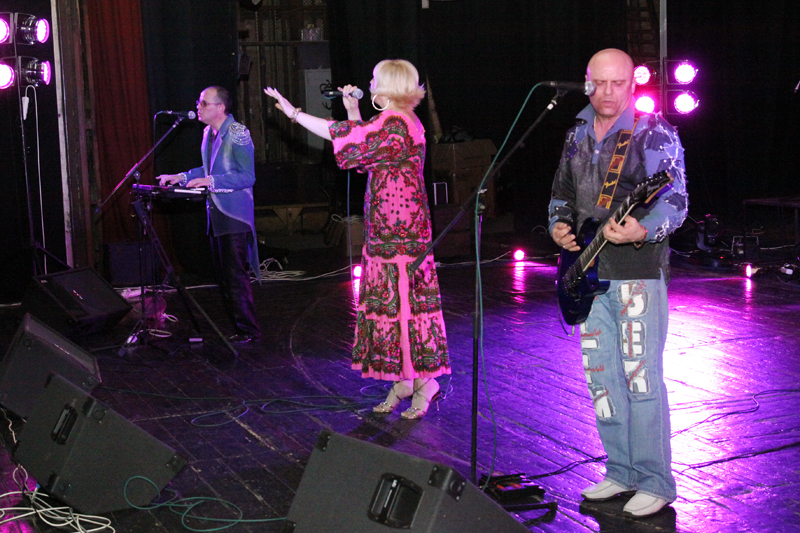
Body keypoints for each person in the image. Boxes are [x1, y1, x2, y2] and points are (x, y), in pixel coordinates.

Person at [264, 59, 450, 419]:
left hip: (401, 233)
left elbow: (349, 141)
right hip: (389, 228)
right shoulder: (394, 121)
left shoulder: (396, 123)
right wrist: (352, 109)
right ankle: (406, 379)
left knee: (405, 306)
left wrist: (295, 114)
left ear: (389, 86)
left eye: (375, 78)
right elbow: (360, 152)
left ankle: (424, 382)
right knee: (397, 306)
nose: (370, 81)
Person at [549, 49, 688, 517]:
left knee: (641, 377)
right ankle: (622, 470)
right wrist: (558, 225)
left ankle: (655, 480)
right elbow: (561, 194)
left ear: (632, 83)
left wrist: (642, 229)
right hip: (588, 275)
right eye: (599, 83)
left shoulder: (653, 132)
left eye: (618, 83)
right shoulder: (577, 133)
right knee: (602, 379)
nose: (607, 93)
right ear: (587, 82)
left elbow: (676, 201)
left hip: (637, 274)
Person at [158, 86, 261, 344]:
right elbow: (207, 169)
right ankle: (240, 328)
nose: (198, 107)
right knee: (225, 278)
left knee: (235, 278)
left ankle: (249, 331)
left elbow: (247, 177)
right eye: (199, 102)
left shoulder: (237, 132)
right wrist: (181, 177)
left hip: (234, 216)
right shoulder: (208, 133)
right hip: (216, 216)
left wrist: (211, 182)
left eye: (204, 103)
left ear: (220, 108)